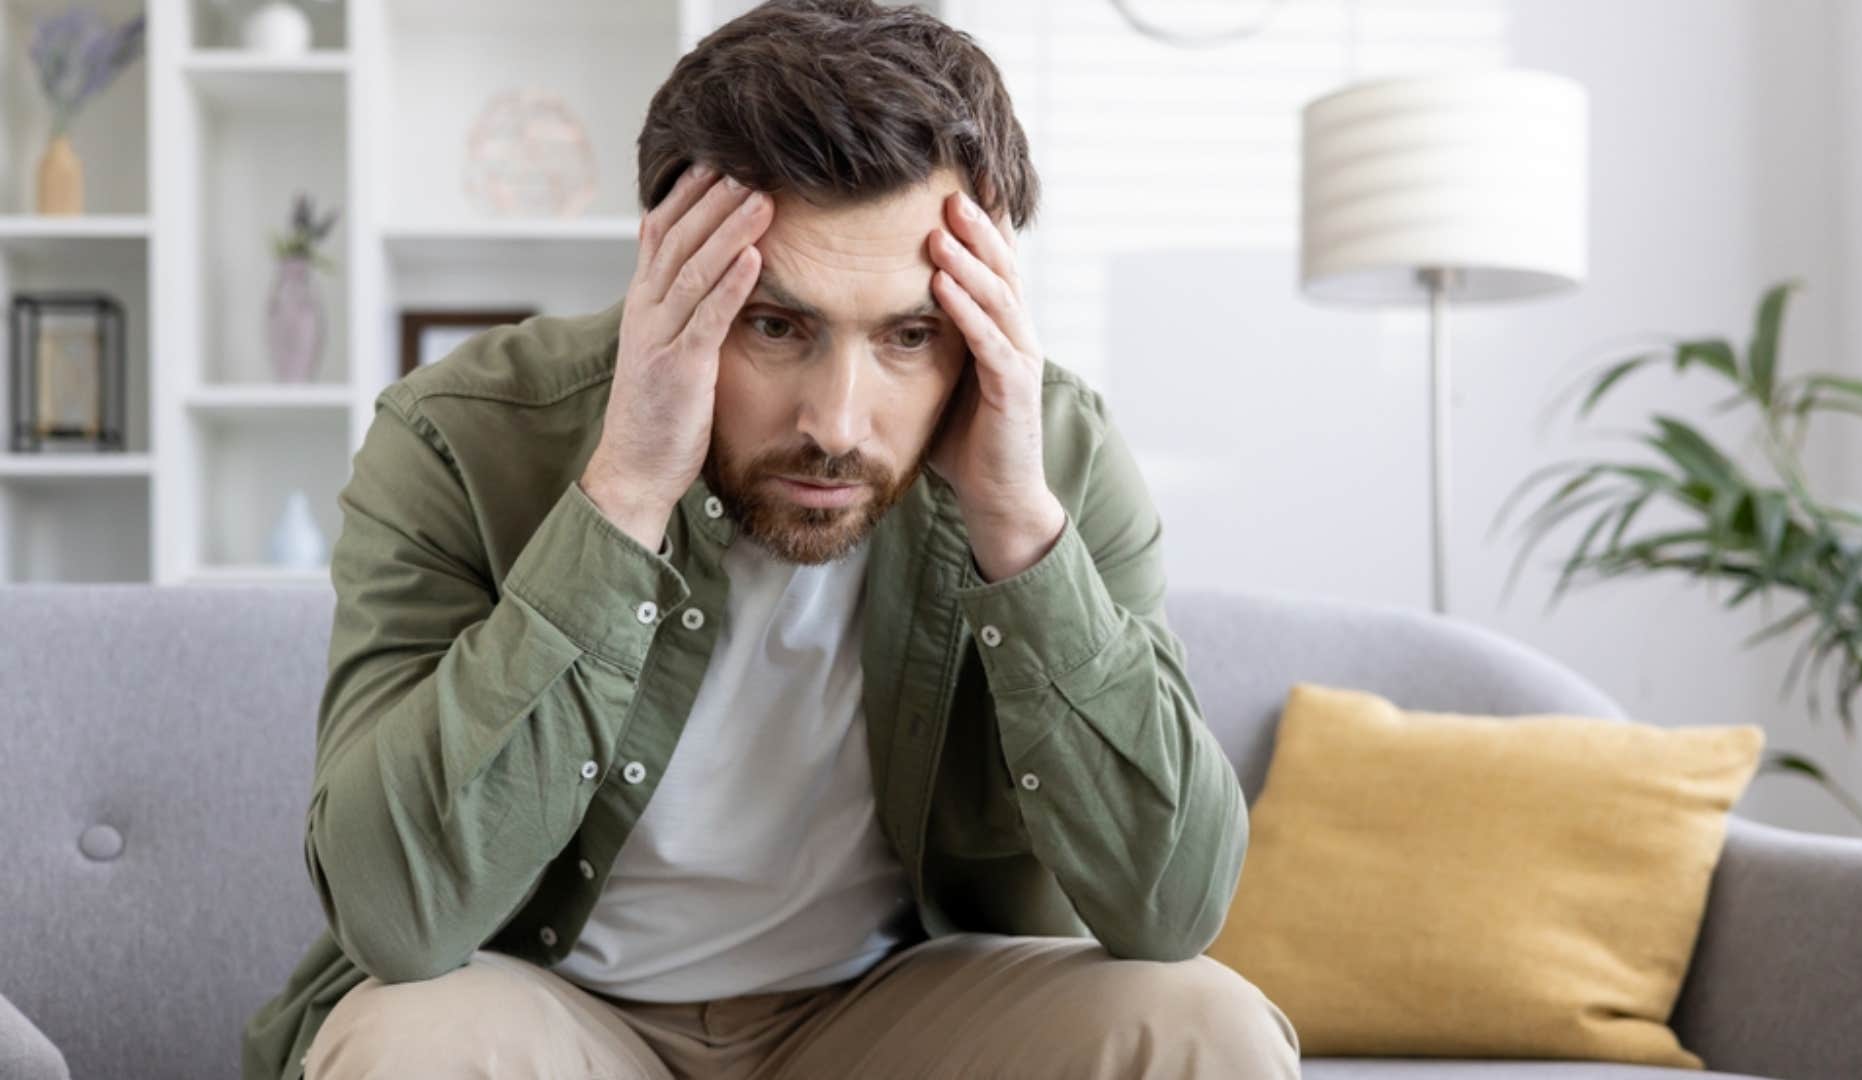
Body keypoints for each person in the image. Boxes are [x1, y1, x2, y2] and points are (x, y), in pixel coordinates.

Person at [242, 1, 1301, 1076]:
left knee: (1203, 1028)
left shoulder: (1051, 451)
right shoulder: (459, 436)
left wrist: (1020, 530)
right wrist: (623, 494)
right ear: (667, 270)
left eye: (909, 334)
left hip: (894, 1011)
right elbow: (397, 915)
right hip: (557, 1009)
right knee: (407, 1048)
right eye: (776, 325)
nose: (836, 426)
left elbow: (1172, 909)